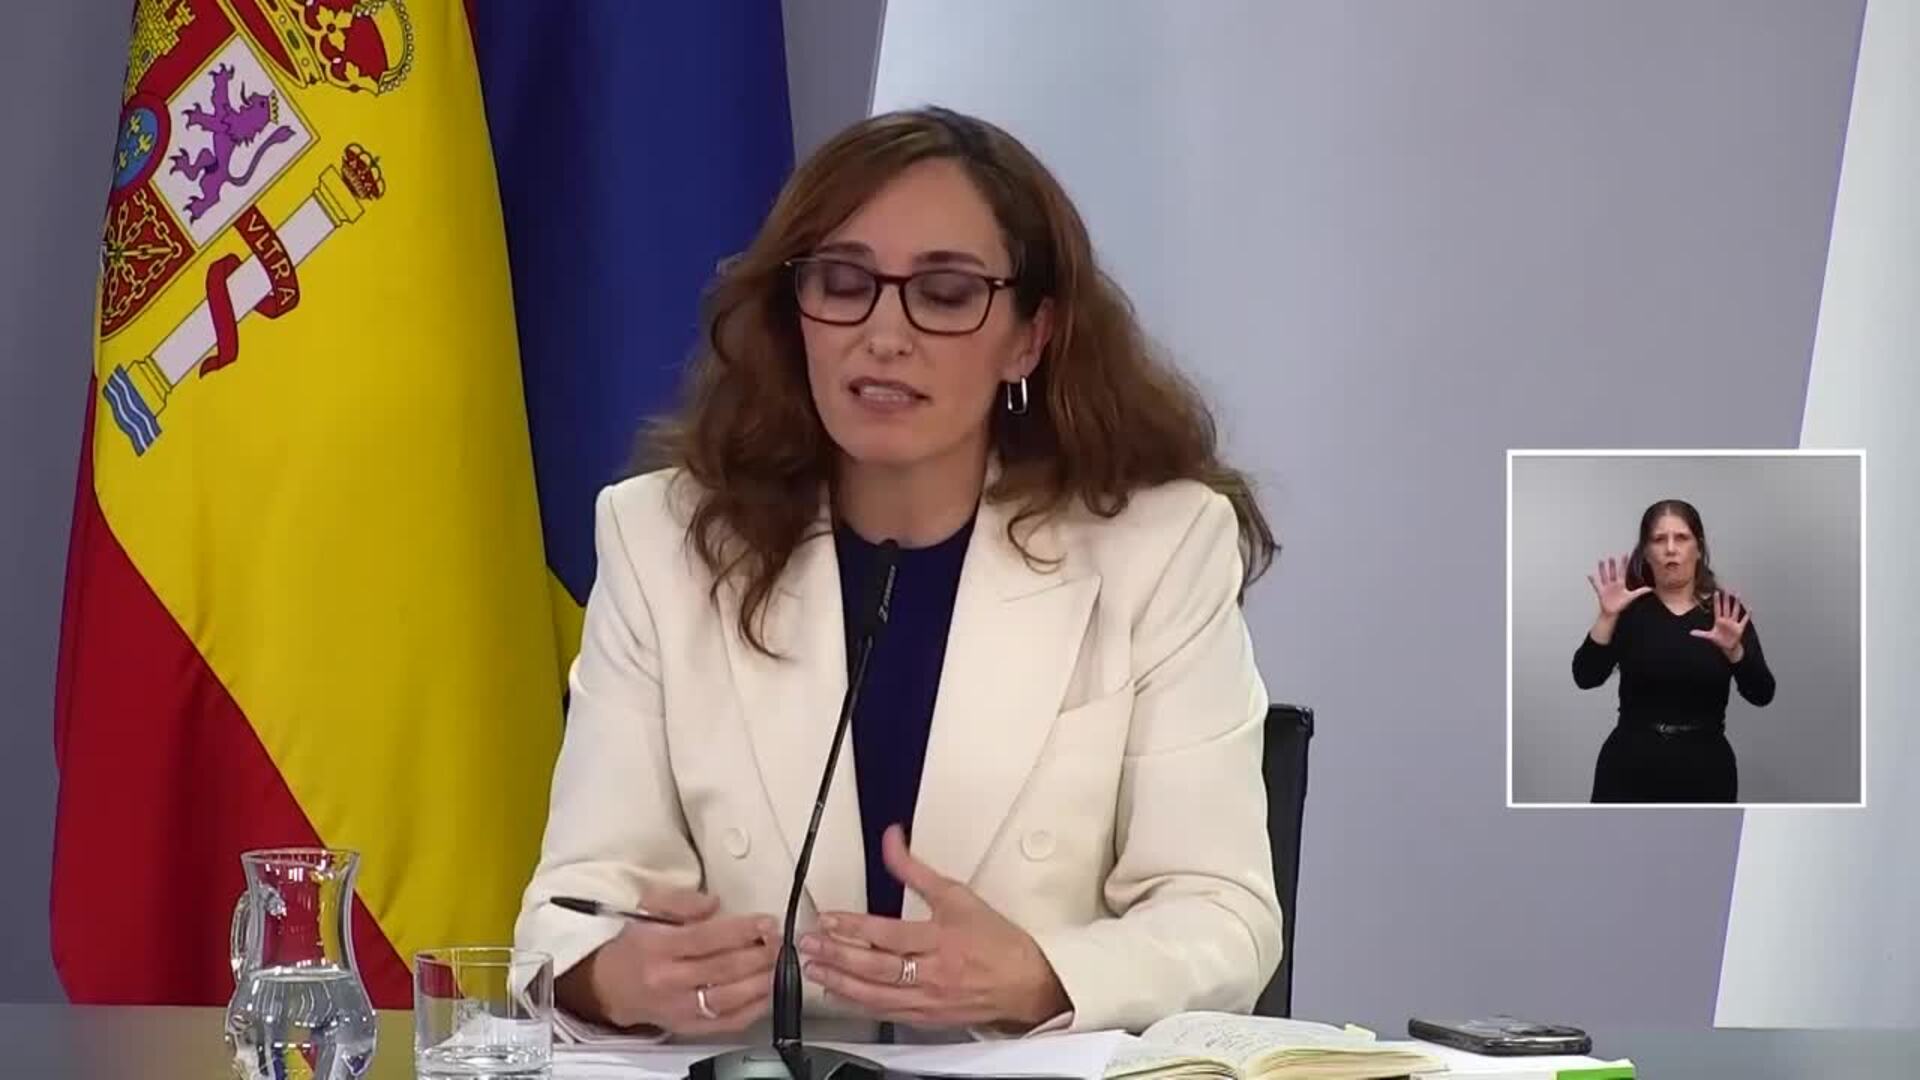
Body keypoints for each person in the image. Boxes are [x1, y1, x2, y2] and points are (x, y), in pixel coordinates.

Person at [513, 107, 1283, 1042]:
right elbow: (570, 912)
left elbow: (1222, 917)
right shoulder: (663, 539)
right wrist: (614, 979)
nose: (884, 335)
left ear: (1029, 336)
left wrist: (1037, 976)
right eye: (843, 285)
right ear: (794, 314)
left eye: (945, 295)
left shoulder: (1157, 547)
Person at [1574, 499, 1775, 802]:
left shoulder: (1725, 613)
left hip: (1706, 771)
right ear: (1646, 551)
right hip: (1628, 768)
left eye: (1681, 538)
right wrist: (1607, 617)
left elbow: (1762, 693)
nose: (1670, 548)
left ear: (1698, 548)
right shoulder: (1628, 610)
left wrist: (1735, 652)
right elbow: (1585, 676)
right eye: (1659, 539)